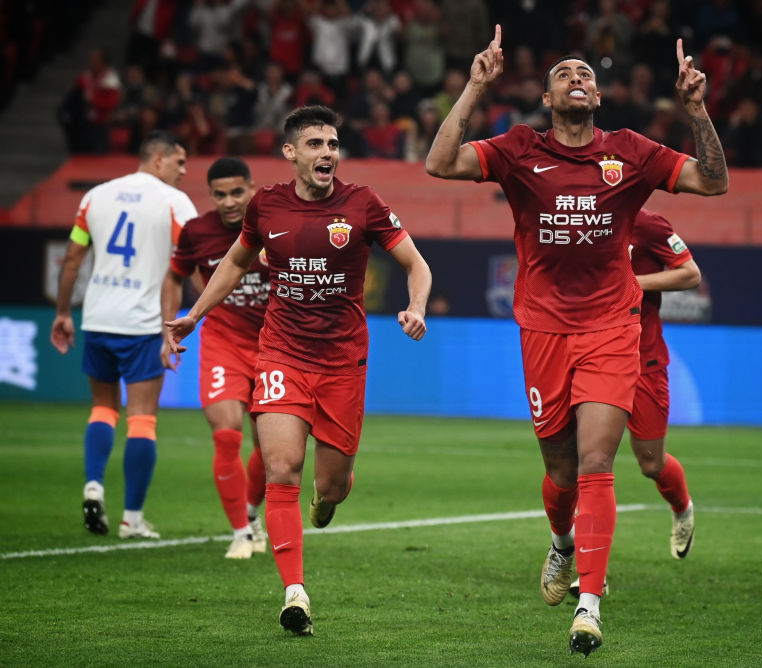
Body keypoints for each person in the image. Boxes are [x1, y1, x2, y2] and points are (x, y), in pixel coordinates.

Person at [425, 27, 728, 656]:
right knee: (560, 471)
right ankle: (562, 544)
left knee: (597, 463)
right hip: (542, 330)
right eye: (564, 73)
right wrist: (475, 87)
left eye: (586, 73)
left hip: (613, 327)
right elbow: (440, 163)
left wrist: (697, 111)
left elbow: (712, 181)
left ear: (599, 95)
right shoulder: (519, 149)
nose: (577, 79)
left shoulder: (631, 152)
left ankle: (589, 605)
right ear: (546, 96)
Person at [164, 105, 431, 636]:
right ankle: (295, 593)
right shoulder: (265, 205)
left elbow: (415, 264)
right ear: (290, 153)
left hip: (342, 362)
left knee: (332, 485)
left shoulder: (364, 203)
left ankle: (327, 498)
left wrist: (416, 306)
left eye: (332, 144)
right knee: (282, 466)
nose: (327, 153)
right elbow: (235, 263)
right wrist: (195, 314)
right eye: (315, 144)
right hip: (282, 352)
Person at [50, 130, 197, 539]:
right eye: (179, 162)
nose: (184, 171)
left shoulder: (95, 197)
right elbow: (191, 263)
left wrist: (62, 312)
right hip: (143, 325)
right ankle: (132, 518)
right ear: (158, 159)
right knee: (143, 419)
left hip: (98, 319)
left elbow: (73, 259)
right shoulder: (174, 203)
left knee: (102, 409)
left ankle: (93, 486)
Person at [569, 207, 700, 598]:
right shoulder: (574, 216)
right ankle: (591, 572)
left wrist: (629, 283)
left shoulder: (647, 223)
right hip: (593, 357)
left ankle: (682, 508)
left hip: (644, 359)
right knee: (590, 461)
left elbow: (690, 274)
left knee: (650, 462)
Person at [160, 157, 268, 560]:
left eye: (237, 192)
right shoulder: (196, 232)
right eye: (220, 195)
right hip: (224, 342)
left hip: (275, 347)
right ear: (210, 195)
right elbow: (175, 275)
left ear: (252, 189)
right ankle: (240, 532)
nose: (229, 201)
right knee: (226, 434)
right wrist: (167, 331)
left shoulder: (274, 225)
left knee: (270, 448)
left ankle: (252, 514)